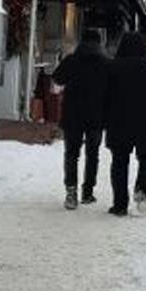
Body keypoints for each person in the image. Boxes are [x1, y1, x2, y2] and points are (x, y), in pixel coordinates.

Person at [104, 32, 146, 217]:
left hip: (119, 123)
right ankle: (142, 190)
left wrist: (105, 118)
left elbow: (103, 97)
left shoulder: (112, 68)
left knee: (119, 161)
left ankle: (119, 205)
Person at [51, 29, 110, 210]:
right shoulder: (106, 63)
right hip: (96, 116)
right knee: (93, 155)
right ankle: (87, 192)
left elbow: (57, 78)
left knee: (72, 154)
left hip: (73, 115)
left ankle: (71, 192)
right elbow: (112, 89)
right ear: (99, 43)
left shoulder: (71, 60)